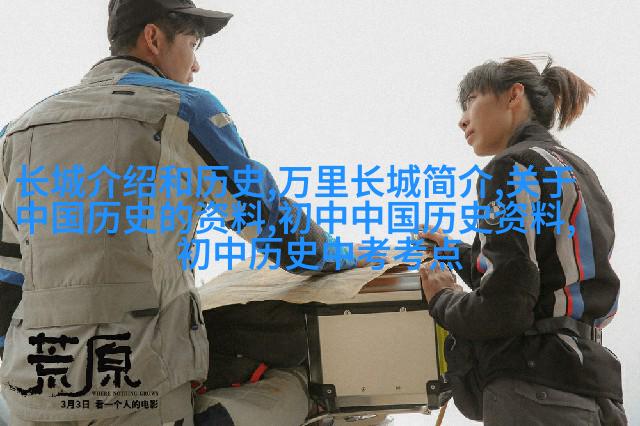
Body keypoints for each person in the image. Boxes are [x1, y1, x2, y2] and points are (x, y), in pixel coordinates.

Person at [0, 1, 369, 424]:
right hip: (138, 396)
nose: (195, 66)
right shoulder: (181, 110)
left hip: (28, 397)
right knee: (299, 386)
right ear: (153, 38)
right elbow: (275, 229)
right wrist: (343, 255)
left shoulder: (16, 132)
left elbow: (6, 280)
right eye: (193, 45)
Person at [419, 57, 626, 425]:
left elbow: (505, 307)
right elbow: (541, 271)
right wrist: (454, 251)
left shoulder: (511, 167)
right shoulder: (579, 172)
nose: (462, 120)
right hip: (595, 388)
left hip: (534, 389)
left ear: (514, 95)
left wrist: (442, 298)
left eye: (470, 101)